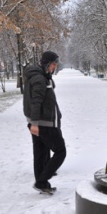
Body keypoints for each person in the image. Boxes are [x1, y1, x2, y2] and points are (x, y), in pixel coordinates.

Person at [23, 51, 66, 195]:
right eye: (53, 65)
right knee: (60, 151)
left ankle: (42, 183)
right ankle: (42, 181)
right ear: (47, 64)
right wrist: (35, 123)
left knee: (40, 154)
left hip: (39, 122)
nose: (54, 67)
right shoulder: (40, 79)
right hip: (44, 123)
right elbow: (36, 101)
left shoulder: (40, 77)